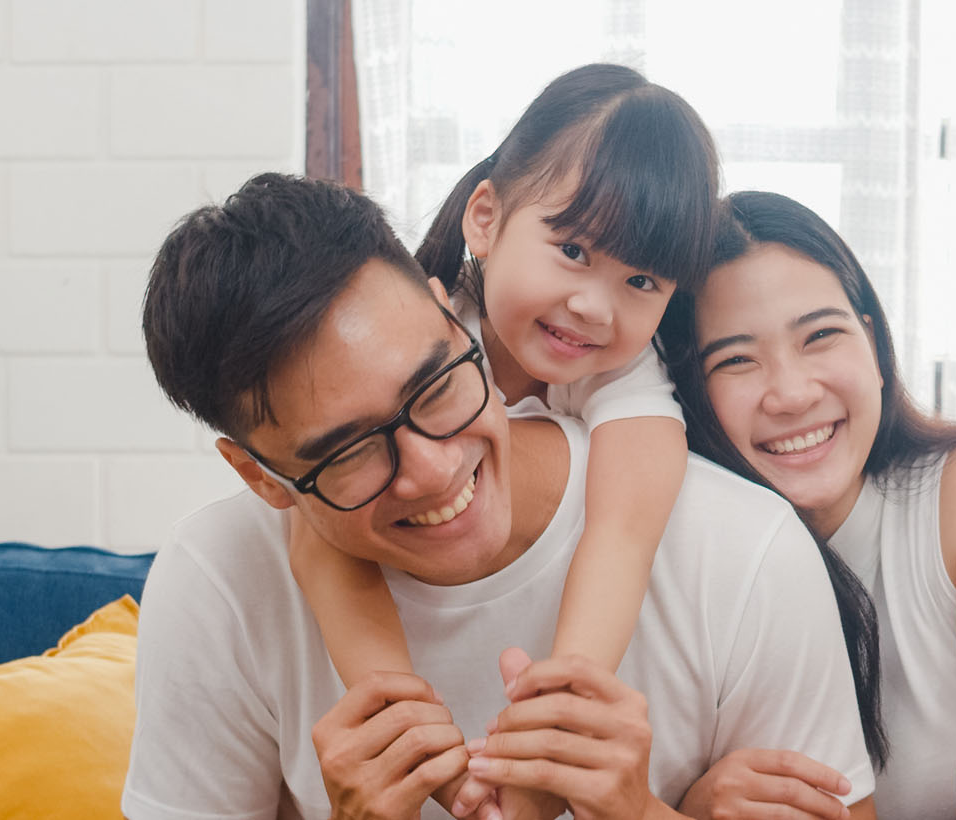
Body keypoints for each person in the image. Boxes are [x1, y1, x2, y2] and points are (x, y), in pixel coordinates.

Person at [124, 173, 875, 820]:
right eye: (350, 452)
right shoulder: (217, 580)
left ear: (450, 312)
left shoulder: (742, 549)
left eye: (435, 383)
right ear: (261, 477)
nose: (432, 468)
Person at [659, 191, 956, 820]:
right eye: (737, 360)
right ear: (690, 399)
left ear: (877, 350)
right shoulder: (706, 579)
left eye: (821, 335)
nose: (793, 393)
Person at [285, 66, 705, 775]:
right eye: (573, 251)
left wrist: (557, 726)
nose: (596, 308)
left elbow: (624, 534)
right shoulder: (427, 332)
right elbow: (319, 535)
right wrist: (408, 736)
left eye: (642, 282)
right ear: (485, 217)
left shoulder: (627, 375)